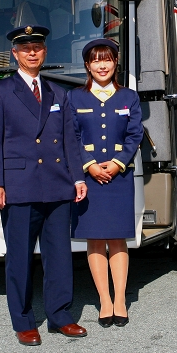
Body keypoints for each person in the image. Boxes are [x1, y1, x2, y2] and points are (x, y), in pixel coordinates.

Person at [0, 25, 88, 346]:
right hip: (18, 186)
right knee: (20, 257)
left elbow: (70, 139)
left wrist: (78, 176)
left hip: (57, 186)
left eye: (37, 46)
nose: (32, 51)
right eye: (25, 47)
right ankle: (24, 321)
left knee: (59, 256)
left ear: (43, 52)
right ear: (14, 53)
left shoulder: (58, 93)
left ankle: (60, 316)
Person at [67, 38, 143, 327]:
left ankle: (120, 299)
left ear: (115, 63)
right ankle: (105, 301)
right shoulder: (74, 98)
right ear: (87, 65)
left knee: (118, 238)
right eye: (96, 60)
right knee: (95, 239)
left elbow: (134, 135)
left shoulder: (129, 97)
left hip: (119, 177)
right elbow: (71, 136)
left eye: (107, 59)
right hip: (87, 178)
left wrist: (117, 163)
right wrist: (88, 166)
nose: (102, 65)